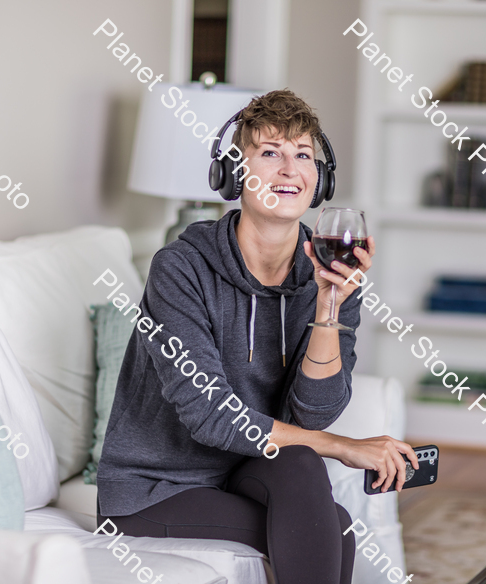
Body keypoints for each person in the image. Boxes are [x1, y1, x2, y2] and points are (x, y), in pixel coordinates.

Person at [96, 89, 418, 584]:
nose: (290, 169)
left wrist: (328, 304)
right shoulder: (179, 269)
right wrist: (345, 446)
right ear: (234, 174)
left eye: (303, 155)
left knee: (303, 471)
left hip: (246, 470)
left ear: (321, 178)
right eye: (270, 153)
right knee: (333, 527)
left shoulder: (333, 270)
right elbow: (210, 415)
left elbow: (314, 410)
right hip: (158, 486)